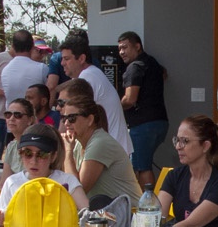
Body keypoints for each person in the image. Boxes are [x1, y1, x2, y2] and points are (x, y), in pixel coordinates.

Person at [56, 78, 141, 206]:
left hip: (127, 215)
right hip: (106, 213)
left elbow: (78, 191)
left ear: (90, 120)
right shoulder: (78, 143)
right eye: (64, 118)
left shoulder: (99, 143)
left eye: (72, 118)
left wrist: (68, 152)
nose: (66, 123)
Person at [59, 33, 131, 153]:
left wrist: (56, 145)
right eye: (62, 59)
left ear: (81, 59)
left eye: (66, 59)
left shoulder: (87, 77)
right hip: (110, 147)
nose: (62, 63)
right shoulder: (90, 74)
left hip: (109, 151)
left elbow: (70, 115)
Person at [118, 30, 170, 189]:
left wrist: (115, 106)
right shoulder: (152, 62)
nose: (121, 52)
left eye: (125, 47)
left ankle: (146, 202)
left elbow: (130, 99)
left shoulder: (134, 67)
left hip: (142, 125)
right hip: (160, 122)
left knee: (142, 167)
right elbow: (164, 74)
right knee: (143, 163)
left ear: (137, 46)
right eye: (119, 48)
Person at [0, 30, 49, 129]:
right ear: (32, 46)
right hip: (34, 126)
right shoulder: (42, 69)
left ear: (13, 46)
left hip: (12, 126)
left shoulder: (5, 71)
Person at [0, 97, 37, 183]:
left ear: (30, 120)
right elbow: (3, 183)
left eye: (17, 115)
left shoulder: (36, 146)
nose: (11, 118)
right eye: (8, 115)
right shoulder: (11, 146)